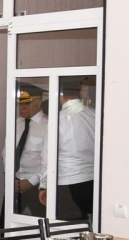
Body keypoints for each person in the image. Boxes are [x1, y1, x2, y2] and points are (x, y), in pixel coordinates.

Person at [39, 83, 95, 219]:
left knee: (67, 227)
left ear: (60, 95)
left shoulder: (58, 119)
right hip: (93, 180)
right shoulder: (94, 114)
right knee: (90, 223)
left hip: (67, 181)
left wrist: (44, 185)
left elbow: (48, 156)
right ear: (81, 92)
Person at [11, 86, 47, 217]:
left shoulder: (48, 125)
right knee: (5, 222)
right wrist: (11, 177)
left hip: (36, 185)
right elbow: (6, 153)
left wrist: (31, 181)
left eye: (27, 103)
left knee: (39, 222)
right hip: (14, 184)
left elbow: (49, 160)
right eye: (20, 103)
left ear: (38, 102)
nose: (22, 107)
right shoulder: (15, 123)